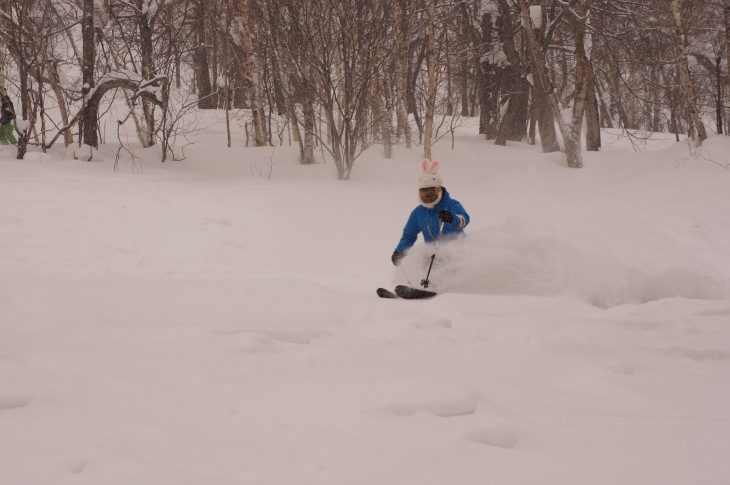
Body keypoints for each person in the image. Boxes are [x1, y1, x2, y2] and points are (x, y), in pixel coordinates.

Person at [391, 159, 470, 266]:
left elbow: (464, 219)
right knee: (426, 270)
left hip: (457, 254)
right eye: (423, 194)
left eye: (430, 193)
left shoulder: (452, 204)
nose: (427, 198)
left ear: (438, 190)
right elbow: (409, 235)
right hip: (435, 257)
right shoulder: (418, 212)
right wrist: (400, 251)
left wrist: (452, 218)